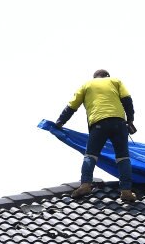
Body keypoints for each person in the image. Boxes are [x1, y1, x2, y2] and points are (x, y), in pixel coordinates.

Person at [55, 69, 137, 202]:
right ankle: (126, 190)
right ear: (107, 76)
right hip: (118, 123)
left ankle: (86, 184)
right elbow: (127, 100)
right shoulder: (115, 81)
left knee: (91, 155)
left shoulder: (86, 85)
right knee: (123, 158)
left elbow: (71, 107)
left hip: (98, 124)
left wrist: (59, 123)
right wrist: (130, 120)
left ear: (94, 78)